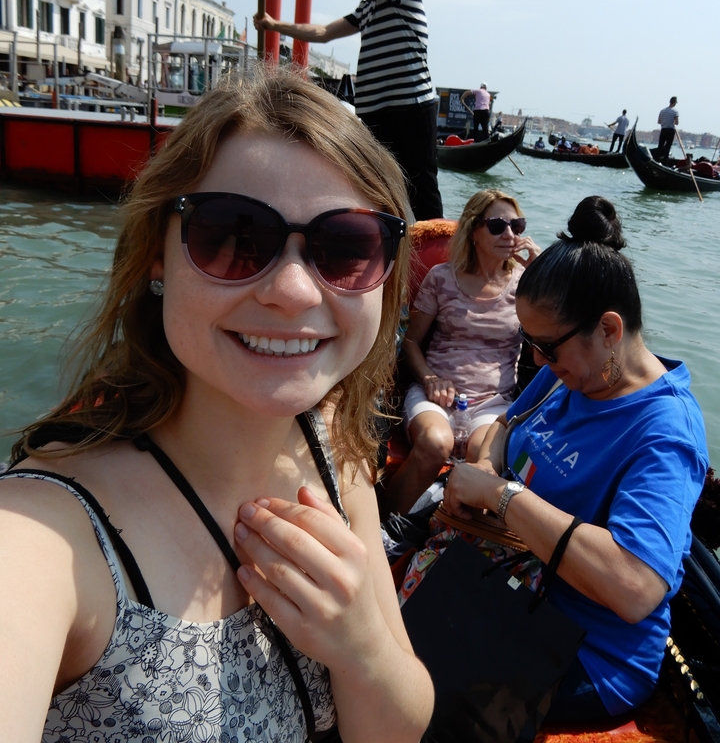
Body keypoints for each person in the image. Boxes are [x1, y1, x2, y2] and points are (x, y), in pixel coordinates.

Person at [0, 70, 434, 741]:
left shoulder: (338, 462)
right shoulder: (45, 536)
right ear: (156, 257)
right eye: (233, 235)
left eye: (345, 248)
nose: (292, 290)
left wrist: (363, 649)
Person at [444, 196, 708, 725]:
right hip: (515, 590)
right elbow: (502, 427)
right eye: (530, 343)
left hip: (588, 651)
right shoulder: (567, 375)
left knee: (422, 687)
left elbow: (635, 587)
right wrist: (488, 467)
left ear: (609, 330)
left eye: (547, 345)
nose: (537, 360)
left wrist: (501, 496)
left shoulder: (664, 433)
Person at [253, 0, 443, 222]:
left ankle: (433, 260)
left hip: (409, 107)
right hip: (375, 112)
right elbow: (324, 31)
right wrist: (274, 26)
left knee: (421, 191)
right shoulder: (369, 5)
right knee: (378, 189)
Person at [384, 189, 540, 516]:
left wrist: (541, 275)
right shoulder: (442, 278)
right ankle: (386, 524)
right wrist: (429, 378)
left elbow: (551, 337)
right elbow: (410, 342)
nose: (510, 234)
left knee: (483, 461)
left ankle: (447, 538)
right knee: (434, 443)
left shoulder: (527, 285)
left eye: (517, 225)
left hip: (493, 402)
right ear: (474, 231)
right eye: (498, 225)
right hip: (436, 394)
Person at [657, 96, 679, 161]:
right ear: (674, 102)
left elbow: (659, 121)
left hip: (663, 130)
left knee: (660, 146)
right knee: (668, 147)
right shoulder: (675, 111)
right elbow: (677, 122)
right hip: (670, 131)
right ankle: (665, 162)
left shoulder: (662, 111)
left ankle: (656, 159)